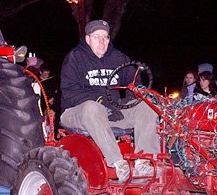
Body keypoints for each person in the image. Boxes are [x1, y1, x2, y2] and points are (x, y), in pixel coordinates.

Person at [60, 20, 160, 182]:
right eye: (97, 37)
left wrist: (134, 97)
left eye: (105, 37)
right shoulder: (75, 58)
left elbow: (133, 84)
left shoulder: (118, 58)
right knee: (93, 108)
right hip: (77, 112)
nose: (102, 42)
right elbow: (70, 92)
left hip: (111, 111)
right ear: (88, 39)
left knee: (147, 106)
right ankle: (117, 162)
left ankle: (144, 161)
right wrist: (101, 102)